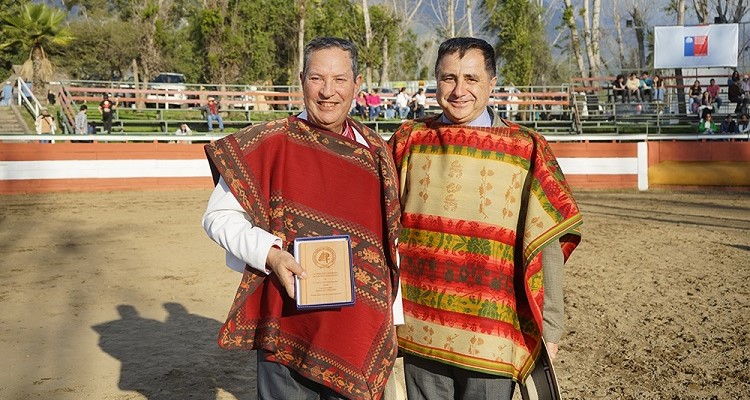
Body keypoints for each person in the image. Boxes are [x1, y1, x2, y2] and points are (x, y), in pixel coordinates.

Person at [201, 37, 401, 400]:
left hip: (357, 329)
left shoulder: (378, 152)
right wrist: (271, 255)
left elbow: (390, 245)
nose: (328, 92)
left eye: (340, 80)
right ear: (300, 79)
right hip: (288, 322)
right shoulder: (271, 142)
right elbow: (217, 217)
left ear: (357, 84)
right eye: (316, 79)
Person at [387, 37, 582, 400]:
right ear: (435, 81)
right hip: (420, 328)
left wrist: (550, 330)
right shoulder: (408, 140)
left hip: (494, 334)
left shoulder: (527, 149)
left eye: (471, 79)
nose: (459, 90)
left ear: (492, 83)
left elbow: (546, 247)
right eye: (448, 78)